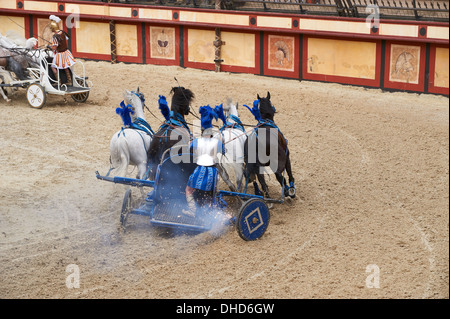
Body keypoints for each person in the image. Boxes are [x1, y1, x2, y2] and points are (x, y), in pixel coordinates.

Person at [182, 105, 225, 218]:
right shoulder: (217, 142)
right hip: (212, 173)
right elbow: (223, 151)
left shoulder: (196, 141)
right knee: (214, 193)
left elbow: (188, 149)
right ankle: (212, 211)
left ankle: (193, 210)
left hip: (199, 171)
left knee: (188, 190)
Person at [48, 15, 75, 86]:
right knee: (66, 67)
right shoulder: (63, 32)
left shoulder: (55, 37)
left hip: (60, 54)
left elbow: (54, 48)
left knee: (53, 67)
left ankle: (58, 81)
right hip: (66, 53)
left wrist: (49, 47)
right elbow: (65, 39)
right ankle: (69, 80)